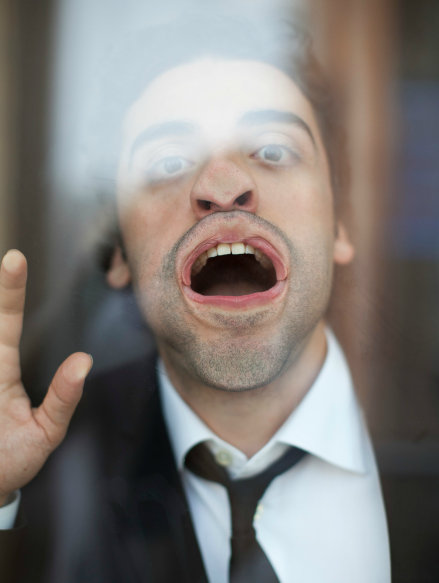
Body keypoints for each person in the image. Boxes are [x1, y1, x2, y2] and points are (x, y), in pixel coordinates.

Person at [0, 10, 391, 583]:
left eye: (273, 150)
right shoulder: (45, 474)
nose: (223, 186)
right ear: (119, 255)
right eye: (169, 162)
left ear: (339, 226)